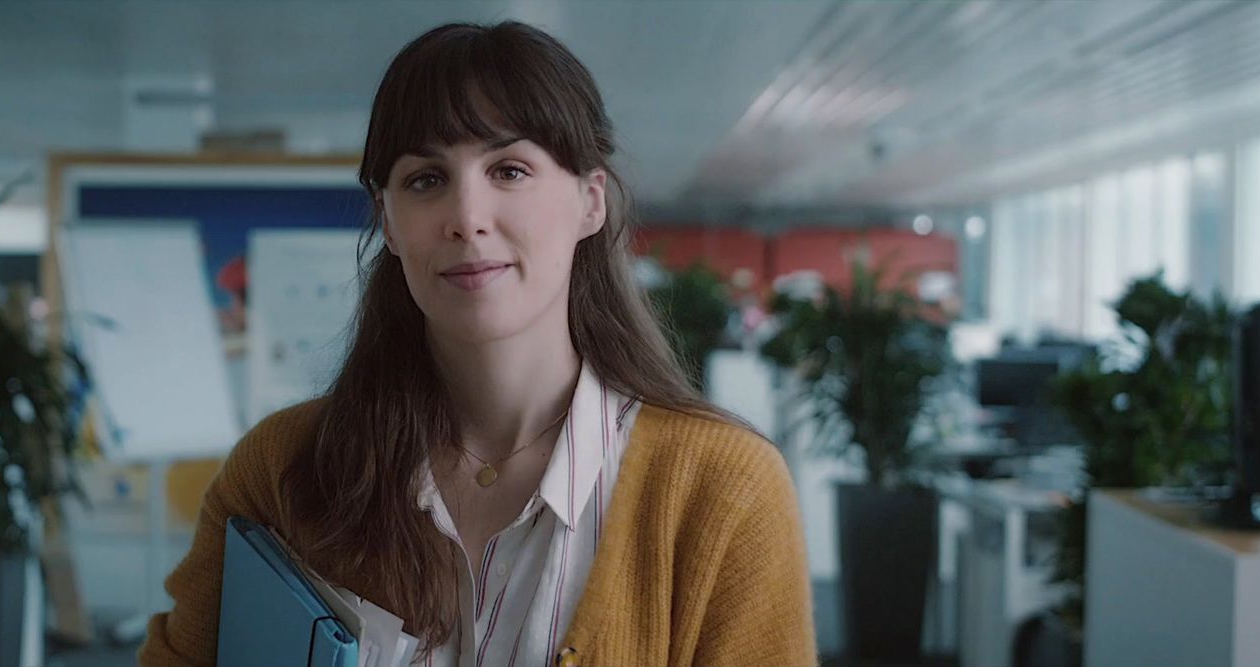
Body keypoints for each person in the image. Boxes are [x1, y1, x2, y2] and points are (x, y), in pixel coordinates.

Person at [139, 21, 816, 667]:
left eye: (510, 170)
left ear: (591, 200)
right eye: (426, 180)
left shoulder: (722, 491)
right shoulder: (280, 468)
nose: (467, 218)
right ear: (390, 221)